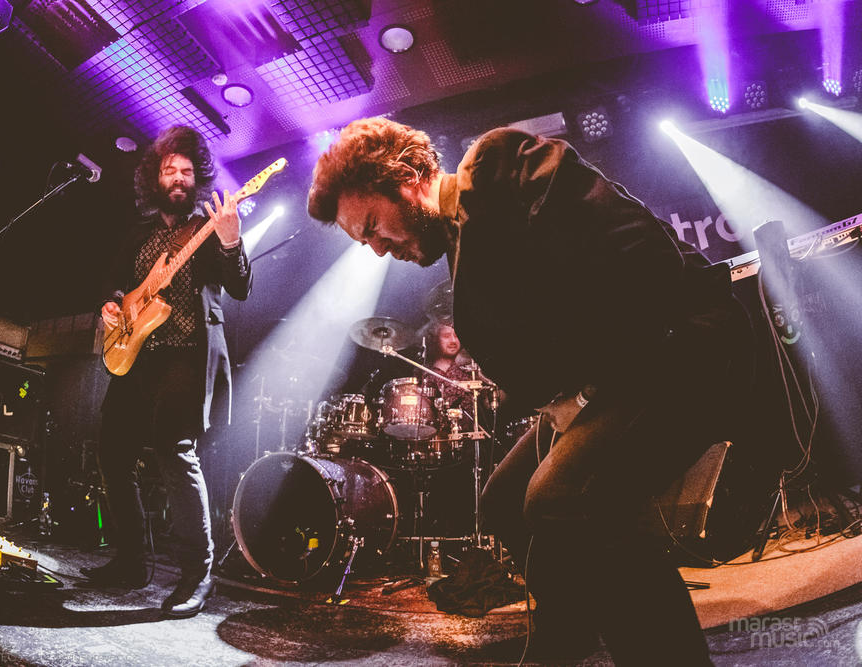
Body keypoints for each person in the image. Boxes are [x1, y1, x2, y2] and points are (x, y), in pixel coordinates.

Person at [308, 117, 750, 663]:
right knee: (504, 501)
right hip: (606, 378)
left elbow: (645, 254)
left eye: (374, 226)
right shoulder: (459, 242)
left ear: (404, 177)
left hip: (683, 344)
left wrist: (585, 393)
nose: (378, 249)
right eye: (365, 241)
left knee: (565, 499)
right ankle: (568, 639)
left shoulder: (495, 168)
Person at [83, 125, 252, 618]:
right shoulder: (139, 233)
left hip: (185, 355)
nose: (178, 178)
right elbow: (115, 282)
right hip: (137, 354)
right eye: (169, 170)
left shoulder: (207, 226)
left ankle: (198, 574)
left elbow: (240, 288)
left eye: (186, 171)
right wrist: (113, 304)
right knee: (112, 453)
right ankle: (131, 561)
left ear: (198, 179)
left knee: (174, 451)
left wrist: (230, 241)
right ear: (154, 178)